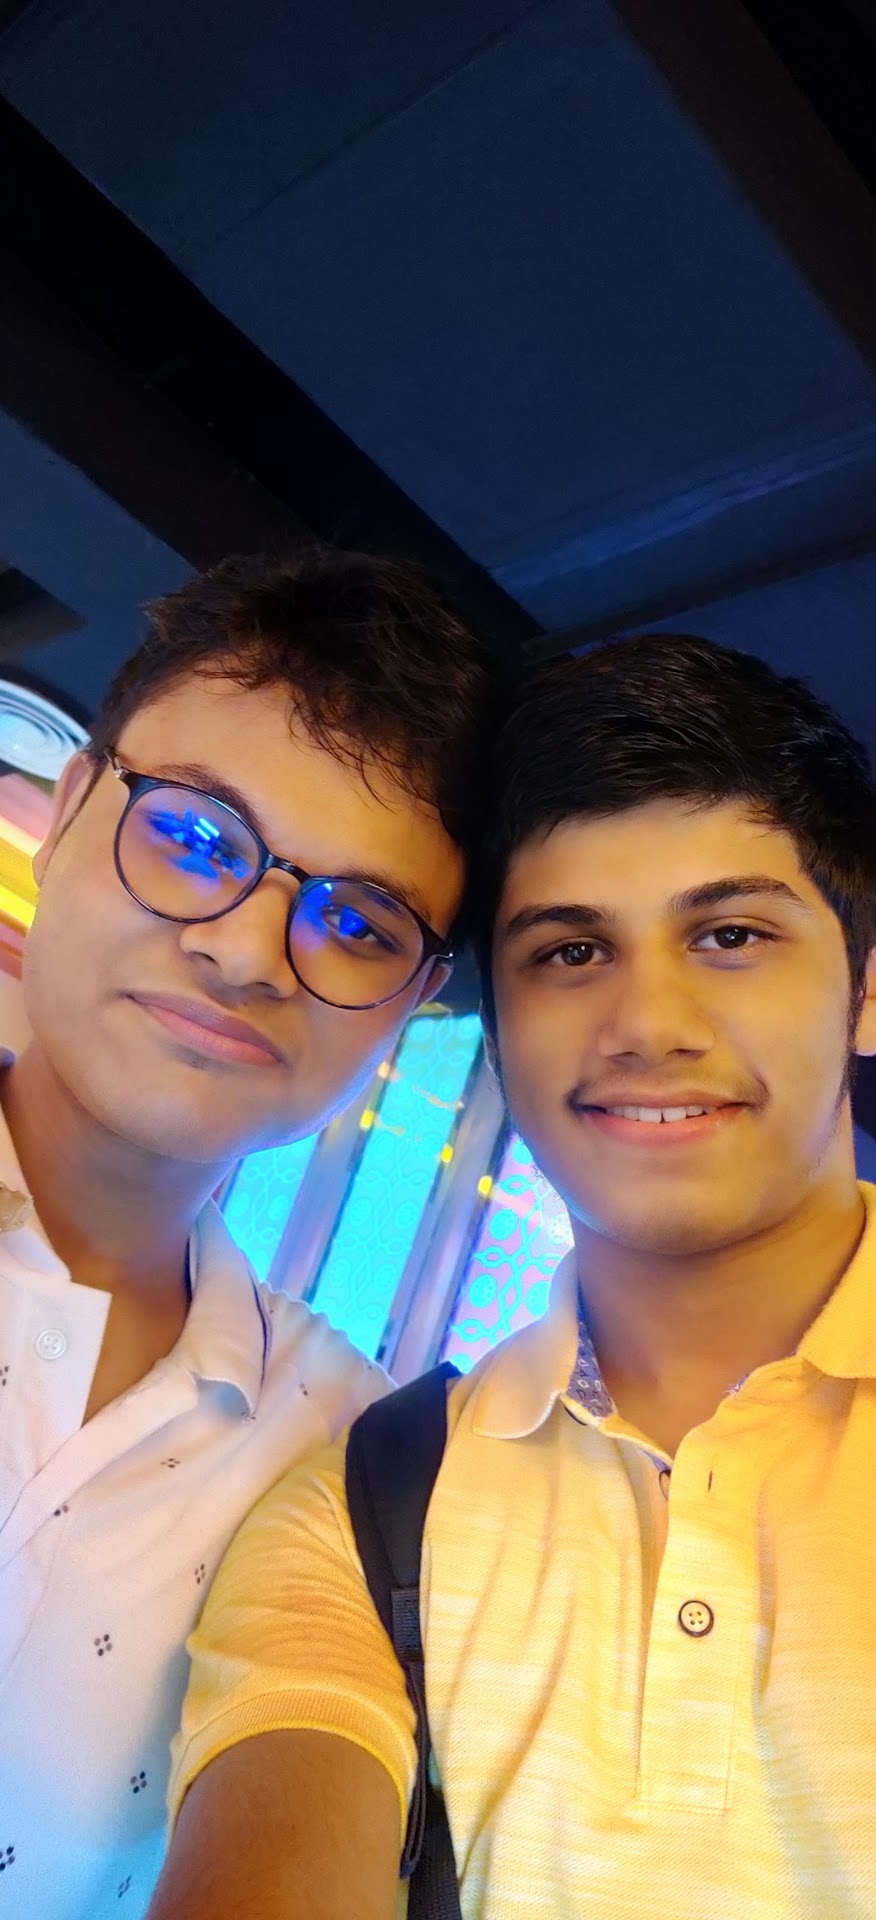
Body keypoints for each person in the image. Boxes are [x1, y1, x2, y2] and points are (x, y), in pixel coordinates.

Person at [150, 631, 876, 1920]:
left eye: (730, 935)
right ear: (497, 1032)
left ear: (866, 990)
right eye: (570, 952)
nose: (647, 1025)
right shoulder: (369, 1501)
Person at [0, 544, 493, 1920]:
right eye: (196, 838)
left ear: (411, 1002)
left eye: (357, 922)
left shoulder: (355, 1458)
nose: (246, 951)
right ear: (73, 805)